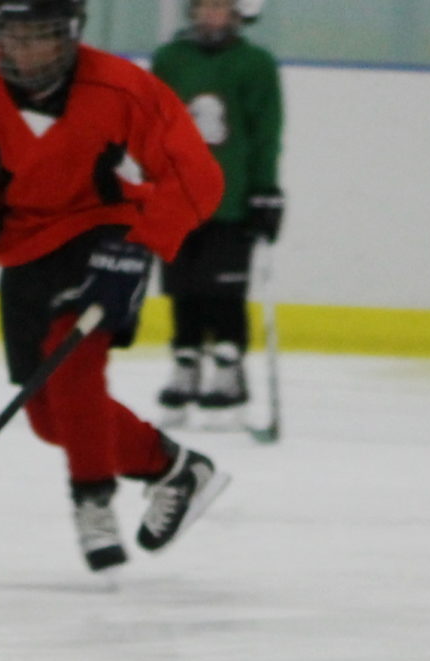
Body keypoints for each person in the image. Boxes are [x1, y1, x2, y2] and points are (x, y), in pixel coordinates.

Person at [0, 0, 228, 572]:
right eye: (13, 36)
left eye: (40, 36)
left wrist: (138, 249)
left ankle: (92, 504)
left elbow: (197, 175)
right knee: (47, 418)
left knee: (73, 369)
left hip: (105, 233)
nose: (24, 50)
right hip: (23, 246)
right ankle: (174, 467)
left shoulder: (121, 88)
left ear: (70, 37)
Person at [151, 0, 283, 425]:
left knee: (223, 289)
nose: (211, 16)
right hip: (177, 197)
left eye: (220, 8)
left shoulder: (255, 64)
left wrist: (264, 189)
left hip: (231, 198)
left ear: (238, 14)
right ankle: (186, 363)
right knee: (182, 285)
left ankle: (228, 370)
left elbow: (266, 130)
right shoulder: (170, 59)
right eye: (204, 7)